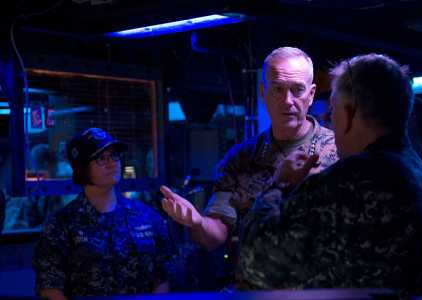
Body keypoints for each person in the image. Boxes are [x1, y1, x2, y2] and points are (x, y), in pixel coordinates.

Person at [238, 54, 422, 298]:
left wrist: (280, 184)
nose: (330, 121)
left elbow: (254, 263)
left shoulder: (347, 182)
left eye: (332, 110)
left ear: (349, 113)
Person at [160, 47, 338, 253]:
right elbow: (216, 235)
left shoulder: (338, 150)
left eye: (297, 89)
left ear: (311, 94)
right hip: (259, 279)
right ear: (263, 92)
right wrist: (198, 222)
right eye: (277, 89)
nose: (287, 100)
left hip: (322, 281)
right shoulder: (241, 159)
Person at [33, 127, 173, 300]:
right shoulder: (61, 225)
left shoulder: (147, 217)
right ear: (82, 168)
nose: (112, 163)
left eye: (114, 156)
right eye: (101, 158)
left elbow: (163, 276)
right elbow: (50, 287)